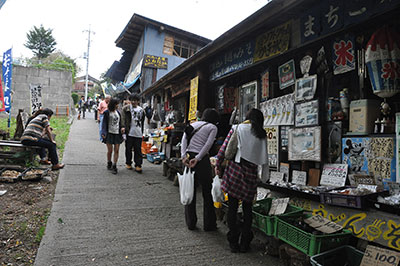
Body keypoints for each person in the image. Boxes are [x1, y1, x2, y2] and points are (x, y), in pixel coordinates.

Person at [215, 108, 267, 253]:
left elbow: (224, 149)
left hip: (235, 171)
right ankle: (245, 242)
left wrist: (218, 165)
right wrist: (264, 177)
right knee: (247, 208)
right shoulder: (262, 134)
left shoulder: (238, 128)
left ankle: (233, 241)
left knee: (232, 206)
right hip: (251, 173)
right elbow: (264, 158)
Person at [180, 108, 219, 231]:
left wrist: (183, 157)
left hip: (187, 158)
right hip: (201, 160)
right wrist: (197, 158)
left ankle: (191, 223)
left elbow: (184, 140)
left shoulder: (193, 124)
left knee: (189, 190)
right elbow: (208, 145)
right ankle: (209, 224)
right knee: (207, 192)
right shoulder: (212, 127)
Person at [121, 93, 145, 173]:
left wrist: (143, 132)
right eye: (132, 100)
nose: (133, 102)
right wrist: (123, 127)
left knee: (138, 149)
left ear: (138, 101)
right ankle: (128, 163)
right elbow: (123, 119)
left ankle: (138, 165)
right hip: (129, 132)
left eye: (135, 100)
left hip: (138, 132)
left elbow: (143, 122)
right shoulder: (126, 109)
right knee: (128, 148)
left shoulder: (141, 110)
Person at [101, 98, 123, 174]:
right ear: (113, 104)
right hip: (109, 133)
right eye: (116, 104)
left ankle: (114, 165)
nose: (118, 105)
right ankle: (109, 162)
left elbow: (120, 123)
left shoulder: (118, 113)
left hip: (117, 133)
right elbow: (104, 123)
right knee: (110, 150)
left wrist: (122, 128)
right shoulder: (107, 112)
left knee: (116, 150)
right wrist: (103, 132)